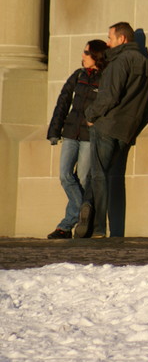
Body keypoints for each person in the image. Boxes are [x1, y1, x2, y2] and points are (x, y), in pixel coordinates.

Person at [81, 22, 148, 238]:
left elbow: (109, 96)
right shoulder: (147, 64)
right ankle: (93, 215)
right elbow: (147, 104)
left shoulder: (119, 61)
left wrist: (90, 114)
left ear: (122, 39)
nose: (107, 42)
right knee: (110, 177)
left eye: (110, 38)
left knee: (98, 175)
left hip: (106, 125)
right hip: (127, 129)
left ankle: (97, 227)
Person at [46, 40, 107, 239]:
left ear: (96, 55)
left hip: (90, 137)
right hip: (71, 134)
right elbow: (63, 101)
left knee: (82, 179)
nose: (82, 56)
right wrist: (54, 130)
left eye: (86, 52)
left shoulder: (105, 78)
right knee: (65, 175)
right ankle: (83, 211)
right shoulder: (78, 75)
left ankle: (66, 226)